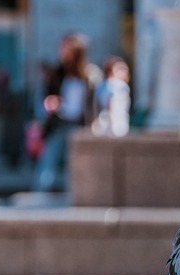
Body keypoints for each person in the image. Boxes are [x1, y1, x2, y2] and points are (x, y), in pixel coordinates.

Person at [32, 33, 95, 192]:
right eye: (62, 48)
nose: (62, 52)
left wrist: (94, 123)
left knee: (77, 169)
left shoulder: (89, 75)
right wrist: (50, 104)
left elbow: (93, 104)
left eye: (67, 48)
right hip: (59, 124)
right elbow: (45, 99)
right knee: (47, 167)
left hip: (80, 126)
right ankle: (40, 199)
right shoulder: (57, 74)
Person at [93, 56, 131, 137]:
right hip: (116, 124)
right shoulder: (120, 85)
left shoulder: (102, 85)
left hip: (103, 123)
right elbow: (112, 104)